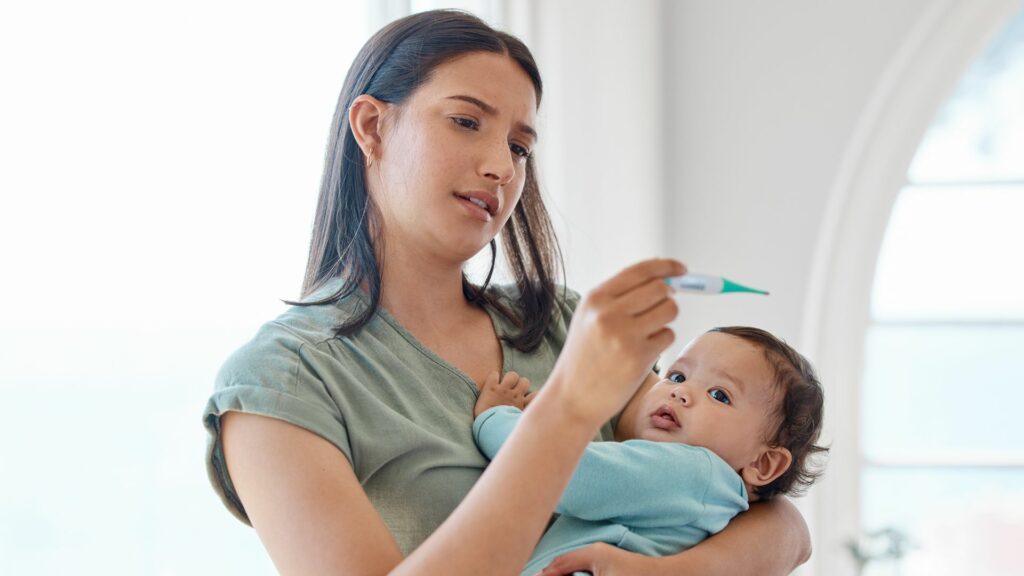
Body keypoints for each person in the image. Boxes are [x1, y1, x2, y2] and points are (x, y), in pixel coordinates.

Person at [202, 9, 811, 575]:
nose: (502, 167)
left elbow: (775, 521)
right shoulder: (282, 383)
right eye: (466, 122)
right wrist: (564, 411)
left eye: (520, 146)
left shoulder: (562, 325)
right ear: (371, 125)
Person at [473, 326, 827, 575]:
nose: (680, 392)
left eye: (720, 395)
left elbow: (563, 474)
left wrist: (496, 418)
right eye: (677, 376)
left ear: (764, 463)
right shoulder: (712, 501)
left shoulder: (692, 471)